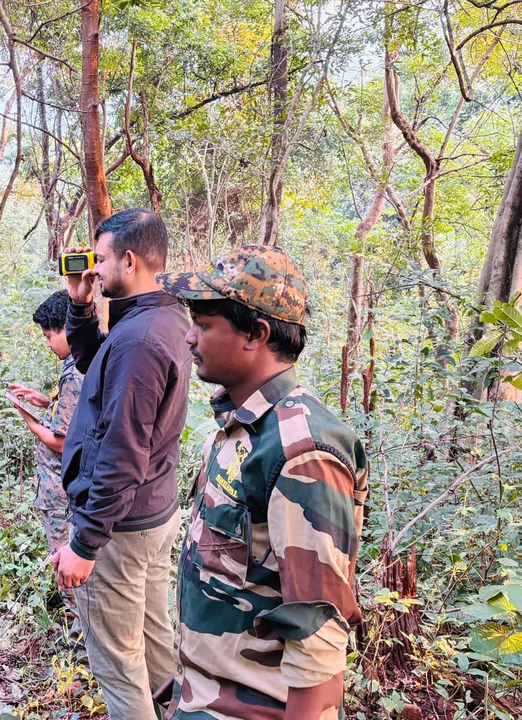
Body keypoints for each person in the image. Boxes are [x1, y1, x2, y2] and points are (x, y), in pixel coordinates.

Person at [156, 245, 369, 720]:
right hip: (206, 696)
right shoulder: (243, 426)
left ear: (256, 334)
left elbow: (318, 648)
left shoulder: (302, 451)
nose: (190, 338)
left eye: (205, 325)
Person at [51, 208, 193, 720]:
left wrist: (86, 541)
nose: (94, 268)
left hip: (121, 527)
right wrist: (80, 303)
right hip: (153, 512)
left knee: (118, 661)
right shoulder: (162, 316)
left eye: (103, 258)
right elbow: (95, 363)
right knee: (155, 640)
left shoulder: (140, 338)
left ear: (129, 260)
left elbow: (122, 450)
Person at [8, 290, 84, 618]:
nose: (48, 343)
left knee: (68, 571)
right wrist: (43, 400)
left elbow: (61, 441)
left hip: (63, 497)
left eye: (49, 335)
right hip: (65, 492)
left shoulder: (76, 371)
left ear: (66, 327)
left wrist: (27, 418)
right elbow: (74, 415)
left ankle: (78, 648)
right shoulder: (79, 361)